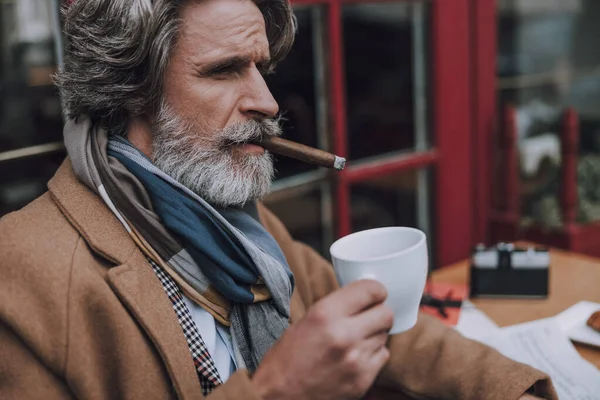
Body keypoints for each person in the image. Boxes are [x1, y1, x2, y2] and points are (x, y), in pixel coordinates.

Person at [0, 0, 557, 399]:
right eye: (224, 71)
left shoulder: (239, 224)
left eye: (261, 69)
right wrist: (280, 388)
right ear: (130, 89)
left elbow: (378, 319)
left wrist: (509, 390)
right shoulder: (21, 274)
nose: (267, 101)